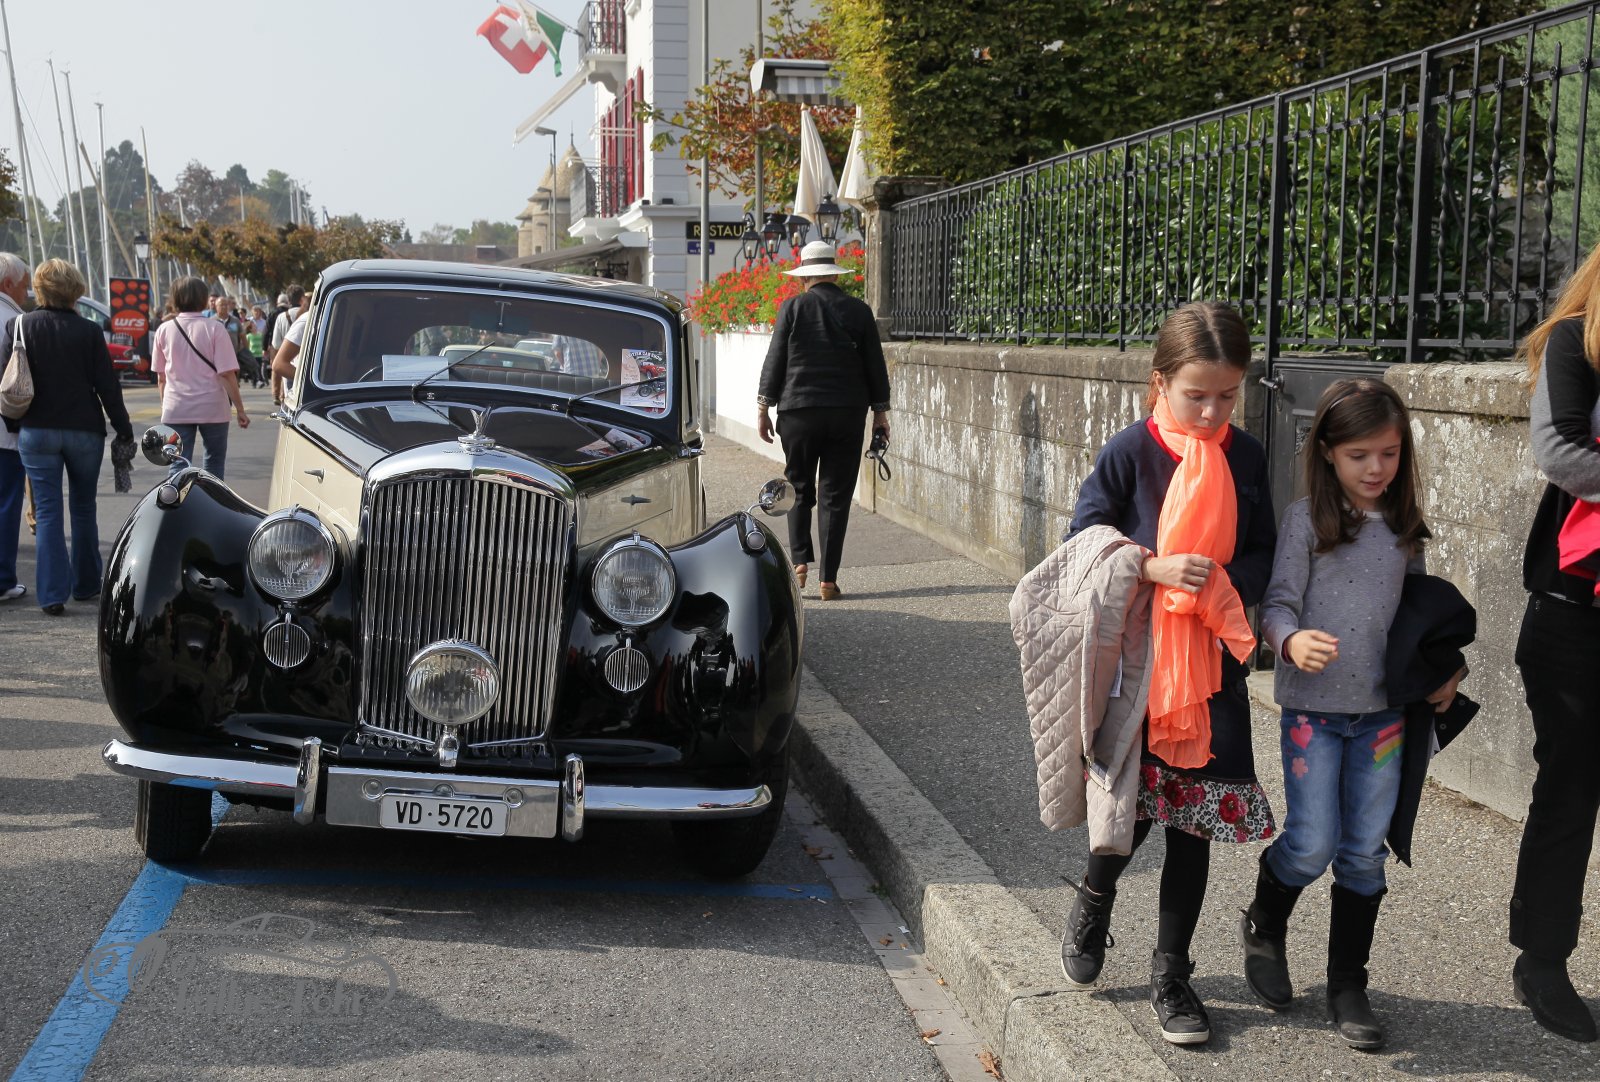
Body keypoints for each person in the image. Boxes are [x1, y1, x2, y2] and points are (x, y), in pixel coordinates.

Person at [1055, 301, 1277, 1046]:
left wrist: (1223, 584)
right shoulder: (1130, 452)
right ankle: (1095, 899)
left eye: (1228, 396)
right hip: (1138, 670)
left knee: (1194, 824)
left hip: (1212, 672)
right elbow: (1082, 542)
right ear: (1160, 383)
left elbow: (1264, 551)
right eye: (1196, 395)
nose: (1212, 413)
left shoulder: (1247, 457)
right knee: (1132, 811)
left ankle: (1172, 974)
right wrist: (1149, 567)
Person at [1246, 379, 1460, 1049]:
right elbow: (1278, 603)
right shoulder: (1306, 521)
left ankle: (1347, 985)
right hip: (1313, 715)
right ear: (1328, 452)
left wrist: (1446, 670)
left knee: (1364, 852)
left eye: (1389, 454)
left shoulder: (1402, 527)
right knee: (1312, 843)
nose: (1376, 468)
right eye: (1360, 455)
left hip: (1384, 718)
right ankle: (1265, 923)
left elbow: (1420, 620)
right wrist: (1289, 641)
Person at [1506, 241, 1600, 1044]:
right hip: (1577, 614)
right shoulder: (1576, 341)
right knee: (1571, 789)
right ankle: (1542, 959)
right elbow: (1562, 452)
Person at [756, 240, 890, 600]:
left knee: (798, 486)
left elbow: (775, 360)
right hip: (847, 412)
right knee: (836, 494)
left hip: (798, 411)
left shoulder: (792, 308)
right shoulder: (859, 311)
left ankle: (800, 562)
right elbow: (874, 365)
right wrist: (880, 413)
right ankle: (828, 580)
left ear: (804, 277)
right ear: (834, 275)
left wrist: (763, 408)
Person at [0, 259, 132, 616]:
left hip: (37, 430)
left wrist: (14, 425)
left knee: (46, 510)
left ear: (39, 289)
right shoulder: (89, 331)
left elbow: (7, 384)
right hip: (84, 430)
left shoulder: (19, 325)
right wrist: (123, 428)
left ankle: (52, 594)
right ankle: (86, 583)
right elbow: (107, 386)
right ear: (75, 289)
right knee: (84, 507)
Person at [151, 276, 249, 479]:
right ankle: (211, 499)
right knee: (214, 464)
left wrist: (165, 405)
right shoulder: (215, 329)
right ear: (204, 299)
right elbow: (226, 374)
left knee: (178, 464)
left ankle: (177, 499)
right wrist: (240, 409)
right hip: (213, 407)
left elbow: (161, 378)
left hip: (176, 407)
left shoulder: (164, 330)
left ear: (175, 299)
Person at [0, 251, 28, 602]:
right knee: (6, 504)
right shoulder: (15, 322)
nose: (27, 292)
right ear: (8, 284)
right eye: (24, 285)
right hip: (5, 429)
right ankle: (3, 579)